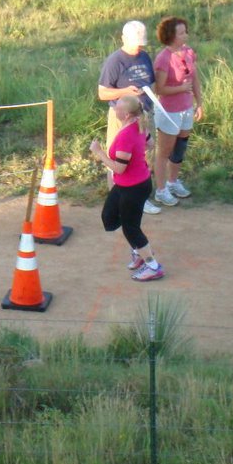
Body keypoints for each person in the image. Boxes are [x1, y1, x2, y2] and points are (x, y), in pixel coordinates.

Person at [89, 95, 164, 282]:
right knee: (109, 216)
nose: (115, 109)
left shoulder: (126, 134)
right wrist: (137, 155)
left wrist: (99, 153)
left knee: (131, 228)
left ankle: (153, 266)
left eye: (118, 108)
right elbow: (150, 144)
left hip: (133, 187)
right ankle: (139, 252)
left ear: (127, 114)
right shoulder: (138, 124)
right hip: (131, 184)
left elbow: (119, 168)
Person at [98, 20, 161, 215]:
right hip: (121, 117)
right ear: (123, 39)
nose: (138, 47)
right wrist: (125, 91)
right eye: (135, 43)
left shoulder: (144, 57)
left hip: (143, 115)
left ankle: (140, 200)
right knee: (117, 158)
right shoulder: (115, 61)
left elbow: (151, 82)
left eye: (140, 43)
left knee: (143, 157)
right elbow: (102, 93)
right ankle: (116, 199)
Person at [152, 16, 203, 207]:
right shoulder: (164, 58)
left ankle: (173, 182)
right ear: (171, 36)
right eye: (181, 33)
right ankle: (161, 190)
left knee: (180, 148)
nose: (185, 35)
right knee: (164, 151)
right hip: (169, 111)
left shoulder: (189, 52)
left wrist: (200, 103)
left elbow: (195, 79)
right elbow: (160, 89)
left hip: (186, 108)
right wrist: (181, 89)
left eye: (185, 31)